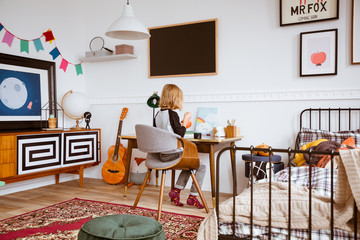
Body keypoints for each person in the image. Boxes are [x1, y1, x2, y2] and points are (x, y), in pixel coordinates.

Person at [154, 84, 206, 209]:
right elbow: (180, 134)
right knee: (201, 166)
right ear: (175, 99)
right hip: (172, 154)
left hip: (162, 155)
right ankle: (193, 196)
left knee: (190, 164)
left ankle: (176, 191)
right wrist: (185, 120)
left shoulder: (157, 115)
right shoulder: (172, 114)